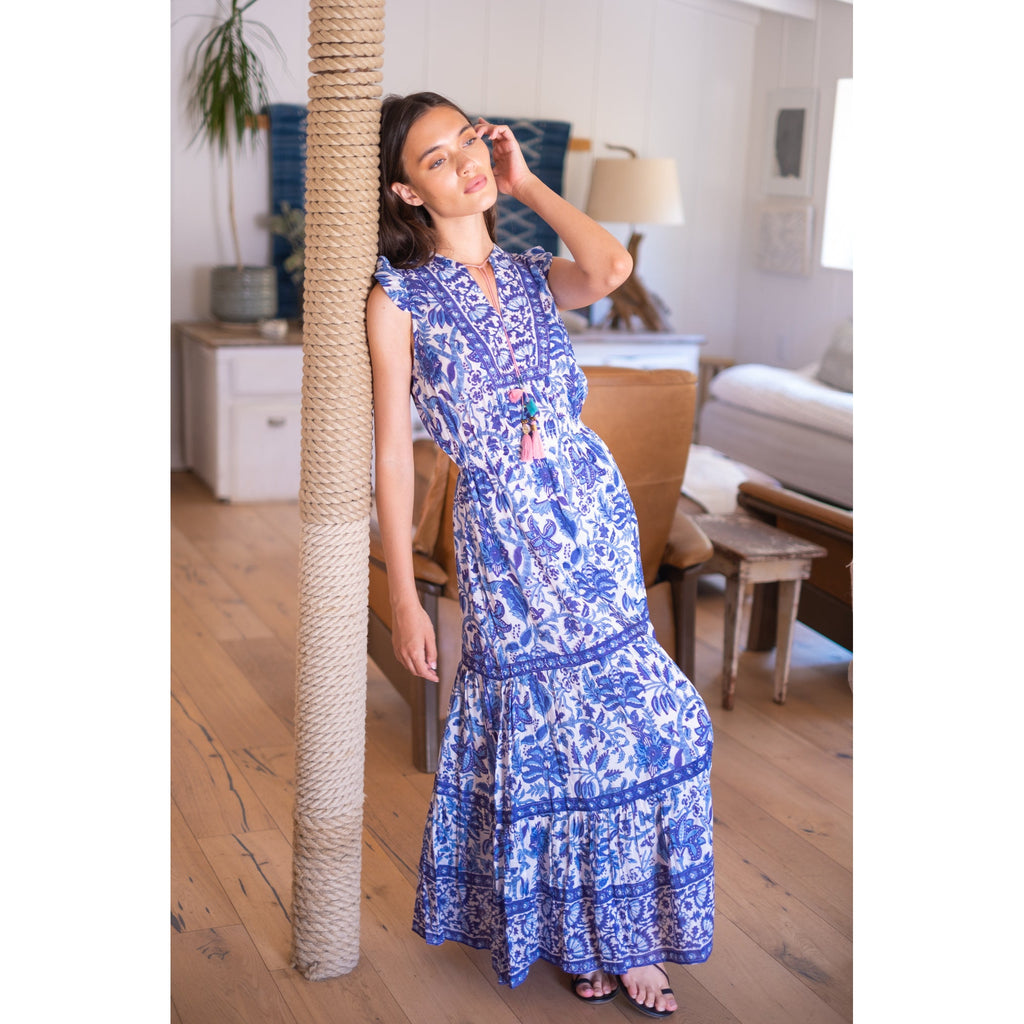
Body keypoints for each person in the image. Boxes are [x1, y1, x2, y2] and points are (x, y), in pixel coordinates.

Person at [367, 91, 714, 1018]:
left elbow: (611, 266)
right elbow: (393, 457)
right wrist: (403, 595)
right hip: (504, 542)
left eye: (467, 142)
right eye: (436, 159)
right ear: (407, 191)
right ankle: (582, 938)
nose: (464, 162)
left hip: (591, 519)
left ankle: (624, 933)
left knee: (647, 722)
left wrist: (526, 184)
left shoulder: (530, 270)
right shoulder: (397, 298)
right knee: (548, 740)